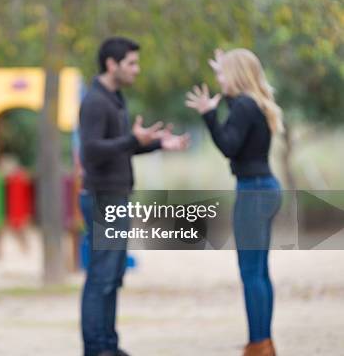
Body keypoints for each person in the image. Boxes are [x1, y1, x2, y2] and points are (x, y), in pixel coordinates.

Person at [79, 37, 190, 356]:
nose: (136, 70)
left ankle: (108, 345)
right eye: (131, 63)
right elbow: (91, 152)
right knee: (101, 276)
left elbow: (120, 146)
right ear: (112, 64)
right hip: (102, 198)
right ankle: (96, 348)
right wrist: (131, 139)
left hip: (116, 195)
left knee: (113, 275)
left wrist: (155, 144)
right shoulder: (96, 102)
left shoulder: (114, 98)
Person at [186, 48, 283, 356]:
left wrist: (208, 115)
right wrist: (220, 95)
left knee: (250, 272)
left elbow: (229, 144)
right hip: (266, 186)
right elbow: (238, 132)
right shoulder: (253, 104)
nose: (219, 79)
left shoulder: (242, 106)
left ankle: (258, 344)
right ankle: (263, 341)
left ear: (237, 75)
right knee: (260, 271)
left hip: (253, 191)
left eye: (223, 73)